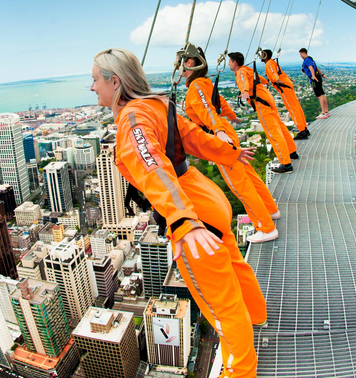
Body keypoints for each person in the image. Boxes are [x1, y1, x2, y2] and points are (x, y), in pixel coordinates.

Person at [92, 48, 264, 377]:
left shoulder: (132, 118)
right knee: (235, 265)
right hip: (207, 197)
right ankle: (256, 316)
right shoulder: (160, 104)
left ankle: (241, 371)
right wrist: (230, 153)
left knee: (220, 305)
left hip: (193, 212)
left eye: (95, 80)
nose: (92, 87)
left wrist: (184, 221)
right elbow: (196, 138)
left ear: (114, 82)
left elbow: (153, 167)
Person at [181, 45, 280, 244]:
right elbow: (220, 103)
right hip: (225, 130)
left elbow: (207, 109)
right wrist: (231, 118)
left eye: (181, 62)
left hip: (219, 136)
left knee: (239, 185)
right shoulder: (205, 82)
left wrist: (217, 130)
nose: (179, 67)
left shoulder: (196, 86)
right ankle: (270, 210)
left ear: (190, 62)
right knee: (249, 176)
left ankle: (266, 227)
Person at [228, 52, 298, 174]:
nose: (228, 64)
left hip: (261, 103)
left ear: (235, 62)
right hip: (267, 98)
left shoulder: (241, 72)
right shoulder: (248, 69)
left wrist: (245, 91)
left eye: (229, 62)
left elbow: (244, 81)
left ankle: (286, 164)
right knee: (280, 127)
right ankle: (292, 152)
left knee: (273, 133)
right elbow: (263, 80)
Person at [261, 49, 309, 140]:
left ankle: (302, 131)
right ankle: (304, 128)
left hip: (284, 87)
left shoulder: (269, 64)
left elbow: (274, 73)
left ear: (265, 55)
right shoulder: (273, 62)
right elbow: (281, 72)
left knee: (292, 108)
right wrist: (288, 80)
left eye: (262, 54)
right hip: (287, 85)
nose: (260, 56)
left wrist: (277, 81)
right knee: (296, 107)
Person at [299, 48, 330, 119]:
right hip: (318, 77)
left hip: (315, 79)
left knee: (319, 96)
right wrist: (322, 75)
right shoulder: (311, 59)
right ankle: (326, 111)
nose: (300, 56)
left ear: (304, 53)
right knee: (322, 94)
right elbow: (316, 68)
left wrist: (313, 76)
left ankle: (323, 113)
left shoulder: (307, 60)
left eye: (300, 54)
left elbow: (311, 68)